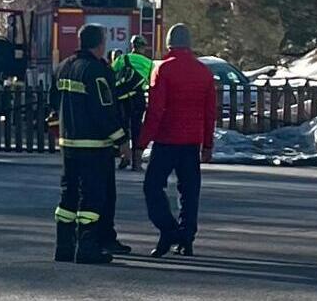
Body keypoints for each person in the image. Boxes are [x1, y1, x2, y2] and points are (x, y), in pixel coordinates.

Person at [49, 24, 131, 264]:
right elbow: (104, 111)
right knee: (92, 198)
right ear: (100, 43)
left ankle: (64, 247)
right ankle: (87, 248)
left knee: (69, 195)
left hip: (68, 145)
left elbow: (53, 104)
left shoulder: (62, 67)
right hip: (94, 146)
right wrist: (122, 141)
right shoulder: (96, 71)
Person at [138, 24, 216, 258]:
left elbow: (155, 110)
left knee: (152, 186)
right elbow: (210, 112)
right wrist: (208, 144)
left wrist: (142, 141)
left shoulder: (163, 70)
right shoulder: (203, 72)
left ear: (169, 44)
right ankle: (186, 237)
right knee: (189, 191)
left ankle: (168, 229)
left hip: (166, 139)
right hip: (191, 142)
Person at [111, 35, 154, 171]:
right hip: (138, 98)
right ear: (143, 48)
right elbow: (152, 82)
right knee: (137, 128)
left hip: (122, 98)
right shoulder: (149, 63)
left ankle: (125, 156)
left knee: (123, 128)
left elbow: (111, 74)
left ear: (132, 46)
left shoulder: (122, 59)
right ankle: (137, 162)